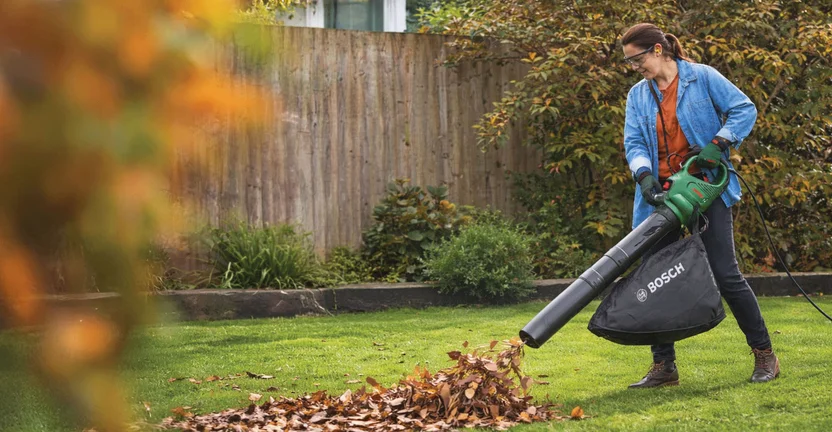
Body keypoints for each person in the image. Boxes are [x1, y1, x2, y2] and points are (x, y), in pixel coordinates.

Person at [620, 23, 779, 388]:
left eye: (637, 59)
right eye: (629, 62)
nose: (634, 67)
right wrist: (644, 176)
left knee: (726, 275)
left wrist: (719, 143)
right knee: (656, 280)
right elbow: (634, 143)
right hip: (659, 197)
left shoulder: (702, 77)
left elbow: (743, 109)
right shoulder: (637, 96)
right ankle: (664, 367)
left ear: (658, 50)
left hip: (703, 190)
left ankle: (765, 355)